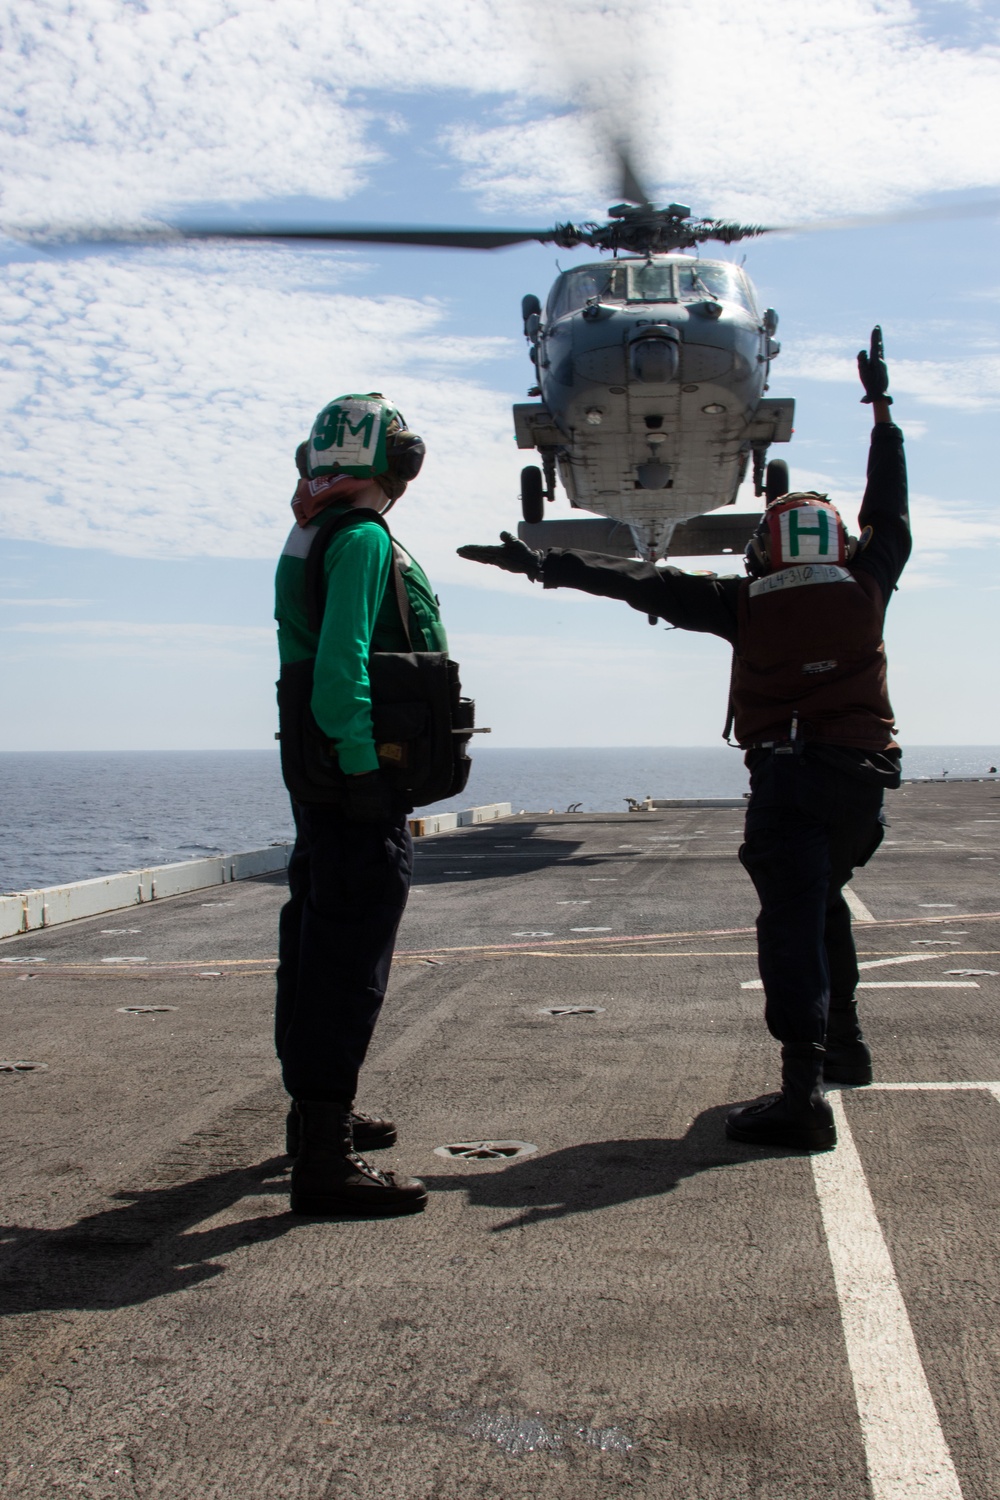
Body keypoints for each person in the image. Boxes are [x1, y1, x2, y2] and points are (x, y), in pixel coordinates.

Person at [459, 328, 909, 1152]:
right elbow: (891, 506)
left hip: (789, 783)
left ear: (763, 551)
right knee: (825, 901)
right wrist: (882, 411)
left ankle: (802, 1094)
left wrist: (539, 562)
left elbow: (635, 580)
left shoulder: (744, 602)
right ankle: (845, 1045)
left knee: (790, 922)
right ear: (838, 544)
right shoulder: (870, 582)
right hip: (861, 785)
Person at [275, 391, 447, 1214]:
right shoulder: (365, 537)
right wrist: (366, 775)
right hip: (349, 776)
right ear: (397, 464)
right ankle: (324, 1158)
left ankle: (312, 1118)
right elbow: (343, 670)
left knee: (312, 941)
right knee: (349, 960)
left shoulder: (309, 527)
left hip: (313, 773)